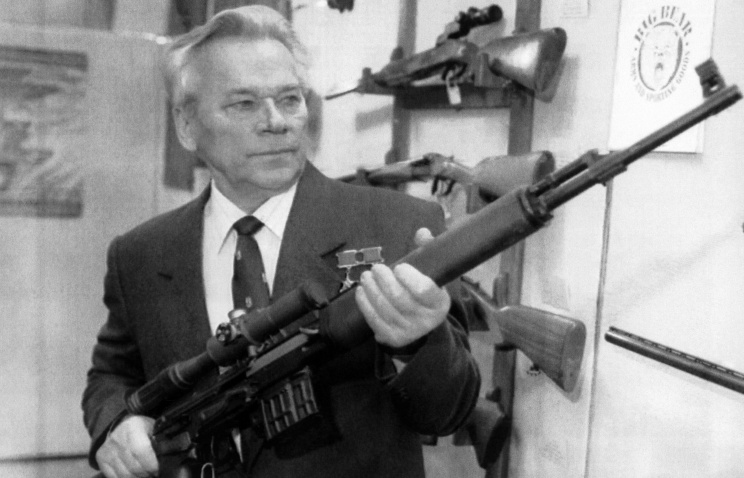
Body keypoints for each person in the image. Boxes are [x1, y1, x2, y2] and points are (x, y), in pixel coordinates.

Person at [82, 6, 480, 478]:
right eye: (244, 104)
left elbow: (449, 411)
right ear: (186, 126)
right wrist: (116, 423)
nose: (276, 121)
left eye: (289, 99)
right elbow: (112, 375)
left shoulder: (400, 226)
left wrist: (420, 342)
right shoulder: (140, 254)